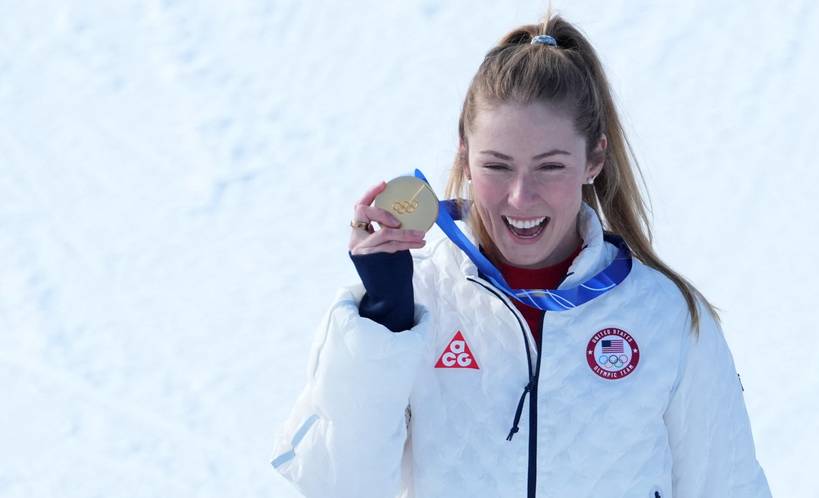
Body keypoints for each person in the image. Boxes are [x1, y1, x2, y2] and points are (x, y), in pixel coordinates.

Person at [270, 14, 772, 498]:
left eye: (550, 166)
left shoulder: (667, 319)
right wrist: (384, 319)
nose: (519, 197)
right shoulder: (416, 300)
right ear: (464, 156)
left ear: (593, 159)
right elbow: (340, 487)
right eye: (497, 166)